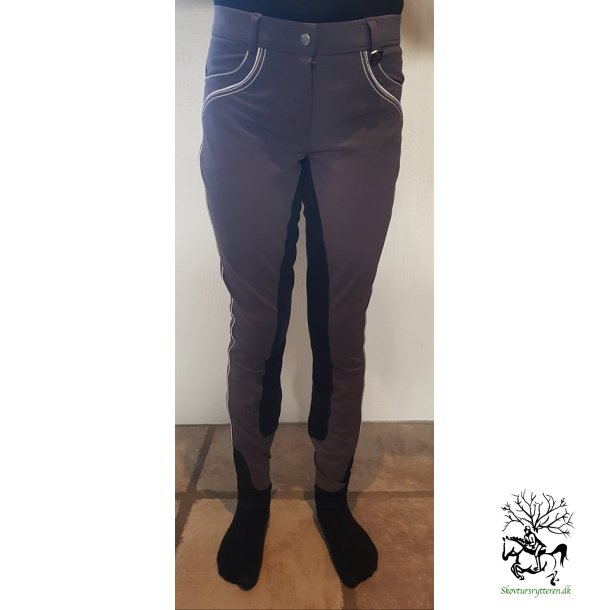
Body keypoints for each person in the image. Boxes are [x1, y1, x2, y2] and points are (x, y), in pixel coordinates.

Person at [200, 0, 405, 590]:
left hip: (364, 74)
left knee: (342, 321)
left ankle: (333, 496)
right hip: (247, 72)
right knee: (256, 318)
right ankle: (253, 496)